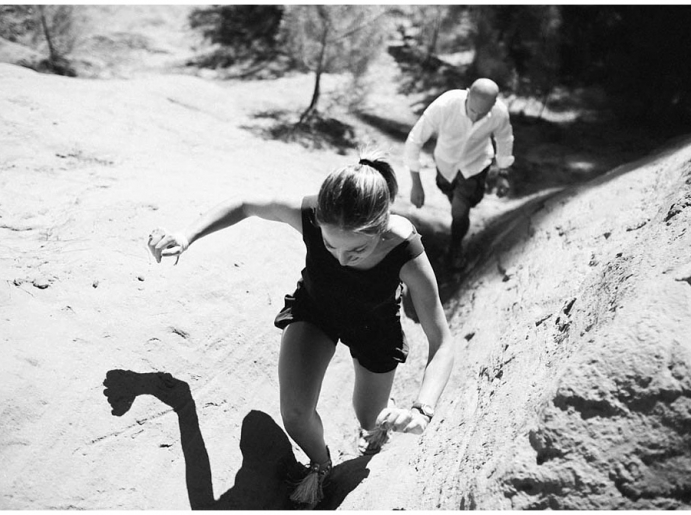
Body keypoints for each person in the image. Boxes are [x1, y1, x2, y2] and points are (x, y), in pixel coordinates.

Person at [147, 149, 455, 507]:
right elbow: (247, 203)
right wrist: (186, 235)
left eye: (356, 251)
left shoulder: (406, 252)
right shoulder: (310, 214)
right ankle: (321, 465)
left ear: (381, 227)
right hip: (317, 311)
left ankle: (372, 440)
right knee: (294, 413)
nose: (341, 259)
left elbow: (442, 341)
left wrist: (422, 410)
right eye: (329, 244)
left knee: (370, 419)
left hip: (374, 327)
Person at [404, 78, 515, 270]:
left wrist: (503, 173)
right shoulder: (445, 104)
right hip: (445, 163)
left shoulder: (499, 113)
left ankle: (455, 247)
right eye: (473, 110)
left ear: (494, 104)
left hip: (475, 166)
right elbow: (415, 139)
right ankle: (458, 225)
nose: (476, 116)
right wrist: (416, 183)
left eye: (483, 112)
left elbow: (504, 140)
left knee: (459, 209)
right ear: (467, 93)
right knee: (454, 201)